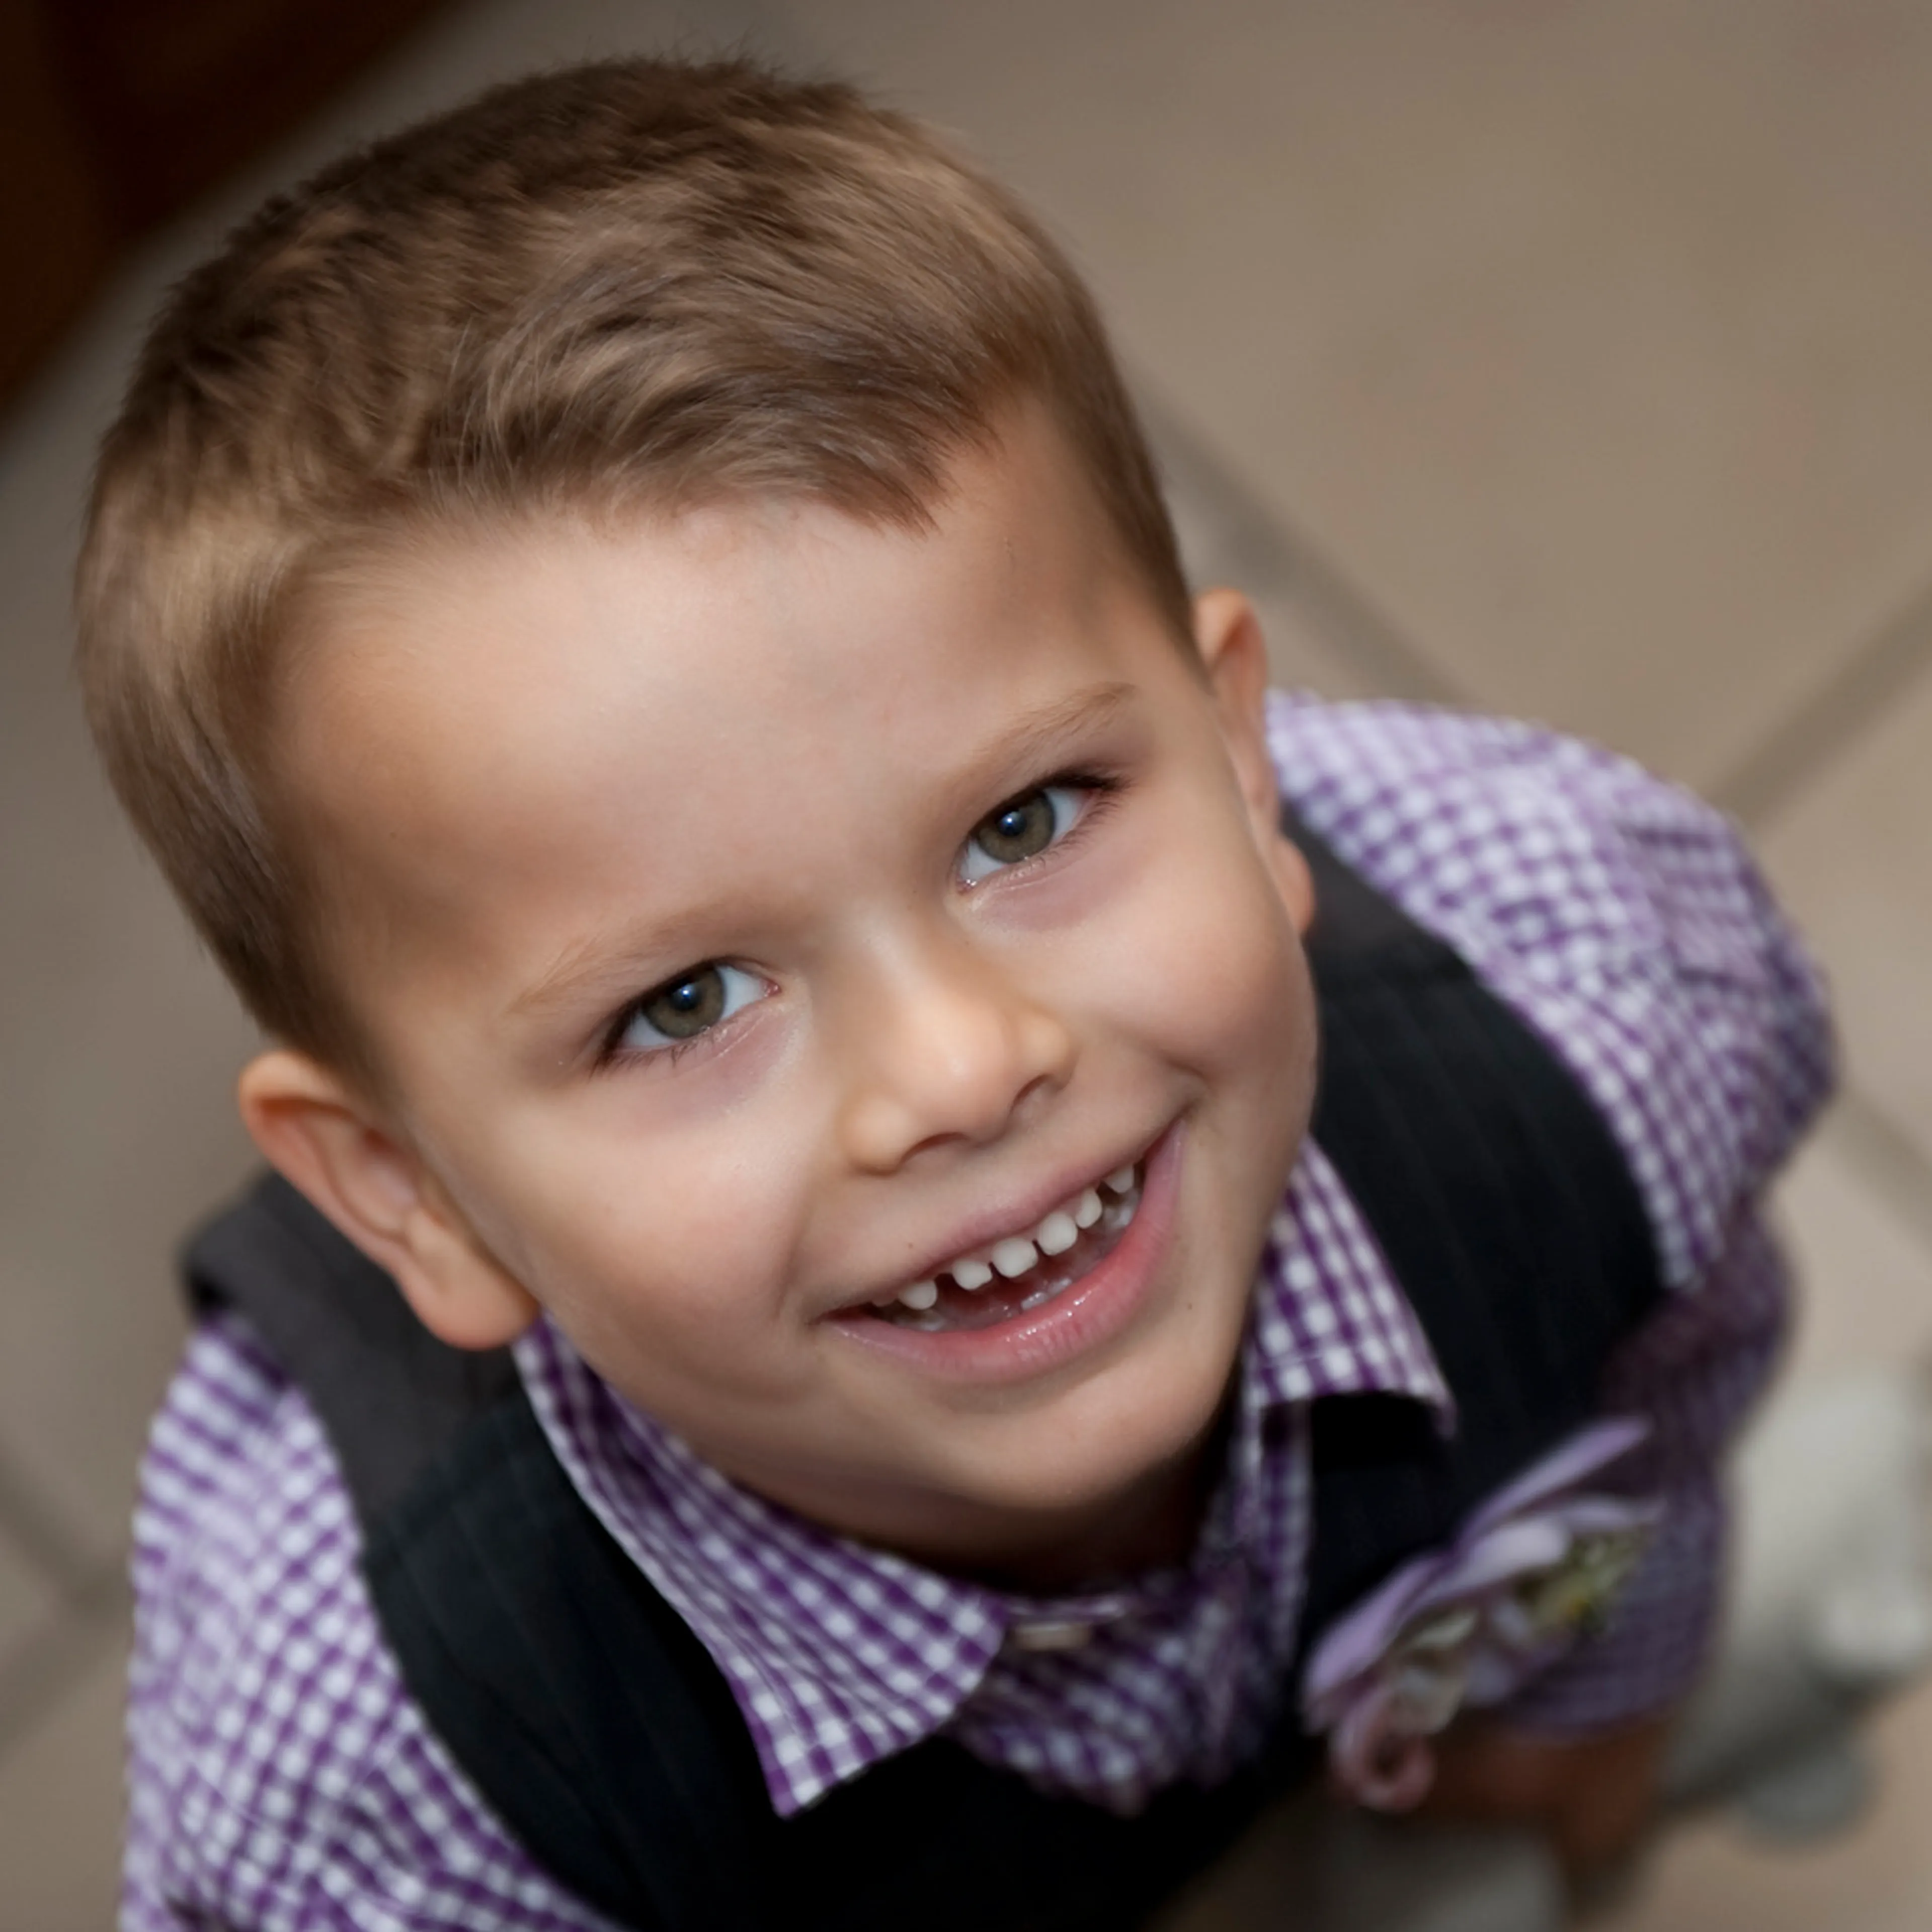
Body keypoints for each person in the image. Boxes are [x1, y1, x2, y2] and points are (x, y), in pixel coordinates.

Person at [78, 55, 1829, 1932]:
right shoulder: (386, 1792)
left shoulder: (1601, 1009)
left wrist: (1592, 1694)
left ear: (1242, 763)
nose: (963, 1066)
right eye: (684, 1003)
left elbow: (1670, 1377)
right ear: (410, 1189)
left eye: (1026, 820)